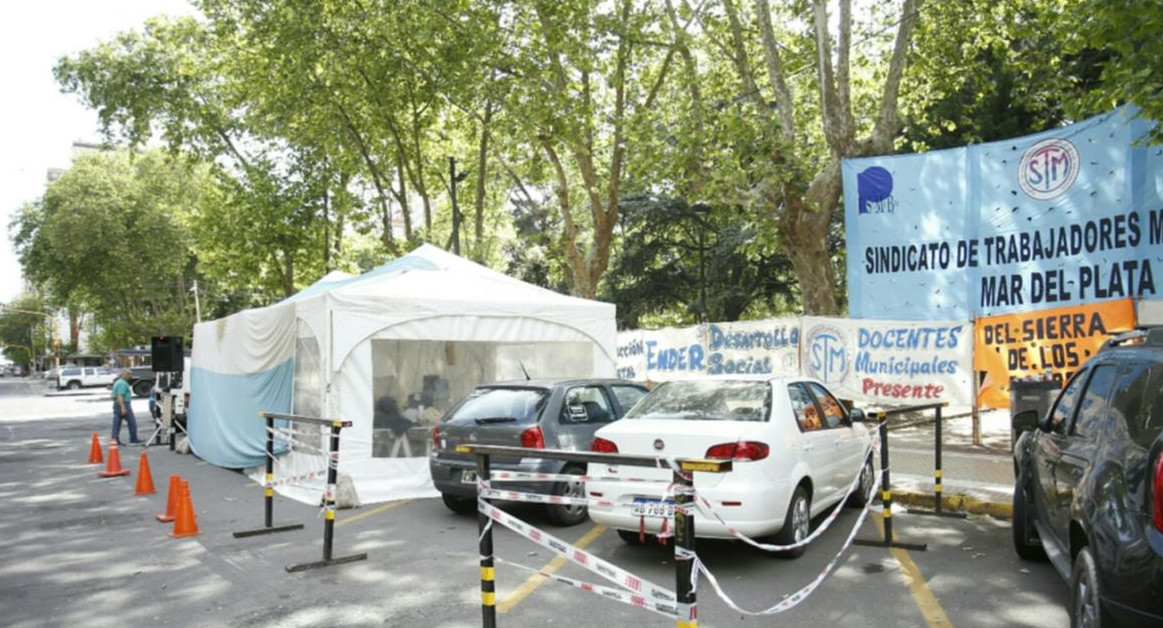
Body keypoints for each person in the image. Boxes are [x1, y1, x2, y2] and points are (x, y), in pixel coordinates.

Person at [111, 369, 141, 445]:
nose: (130, 376)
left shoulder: (117, 382)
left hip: (117, 404)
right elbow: (120, 395)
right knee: (132, 422)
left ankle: (114, 438)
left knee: (117, 422)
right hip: (124, 404)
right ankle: (133, 438)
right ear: (123, 374)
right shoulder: (123, 383)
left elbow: (113, 395)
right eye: (128, 374)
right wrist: (123, 407)